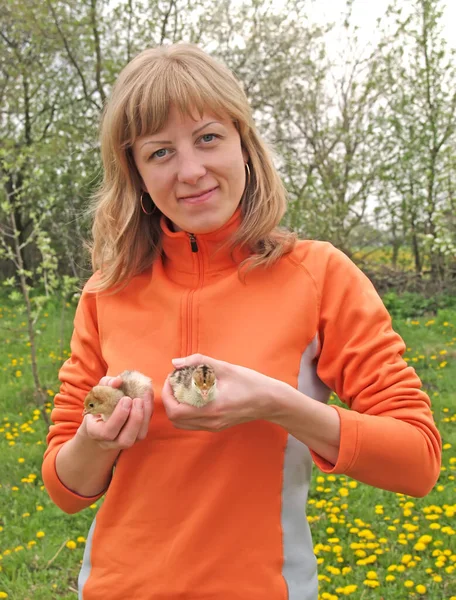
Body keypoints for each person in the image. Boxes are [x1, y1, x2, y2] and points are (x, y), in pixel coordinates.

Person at [42, 43, 441, 600]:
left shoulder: (319, 276)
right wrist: (98, 439)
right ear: (135, 173)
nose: (190, 170)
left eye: (208, 138)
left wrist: (279, 404)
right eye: (160, 152)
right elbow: (67, 487)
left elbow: (418, 460)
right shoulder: (106, 293)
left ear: (244, 145)